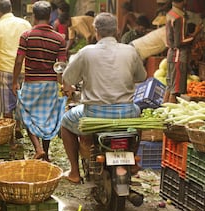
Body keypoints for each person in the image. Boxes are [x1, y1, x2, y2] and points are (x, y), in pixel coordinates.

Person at [60, 12, 147, 184]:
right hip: (126, 113)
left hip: (94, 115)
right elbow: (141, 76)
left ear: (96, 31)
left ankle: (75, 172)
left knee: (65, 123)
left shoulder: (86, 52)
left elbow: (68, 79)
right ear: (116, 31)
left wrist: (70, 86)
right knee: (139, 118)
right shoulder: (130, 51)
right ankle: (134, 160)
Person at [13, 0, 67, 161]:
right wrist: (62, 84)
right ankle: (45, 152)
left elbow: (18, 60)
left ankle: (37, 148)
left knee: (27, 114)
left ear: (34, 16)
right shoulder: (59, 39)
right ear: (50, 16)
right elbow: (61, 66)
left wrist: (14, 80)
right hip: (50, 84)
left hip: (31, 82)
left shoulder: (26, 36)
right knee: (47, 117)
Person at [0, 0, 31, 136]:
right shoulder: (25, 23)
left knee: (6, 107)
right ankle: (18, 127)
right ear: (10, 8)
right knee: (21, 101)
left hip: (5, 70)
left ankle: (10, 138)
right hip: (24, 68)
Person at [163, 0, 202, 103]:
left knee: (170, 85)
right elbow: (179, 42)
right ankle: (171, 113)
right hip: (178, 55)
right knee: (176, 89)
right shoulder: (179, 17)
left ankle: (164, 108)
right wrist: (195, 33)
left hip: (172, 54)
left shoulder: (170, 14)